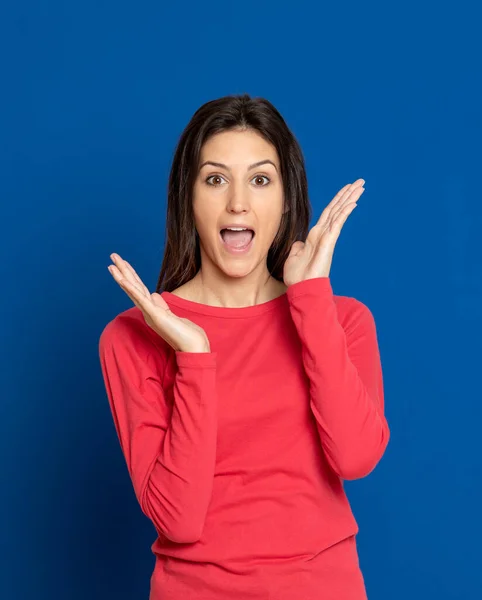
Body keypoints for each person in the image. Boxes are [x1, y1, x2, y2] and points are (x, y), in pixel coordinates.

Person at [98, 93, 390, 599]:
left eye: (260, 179)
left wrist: (312, 302)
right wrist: (193, 356)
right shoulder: (135, 334)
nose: (238, 202)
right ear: (188, 197)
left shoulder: (343, 320)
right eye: (215, 179)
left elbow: (356, 458)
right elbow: (178, 519)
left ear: (285, 198)